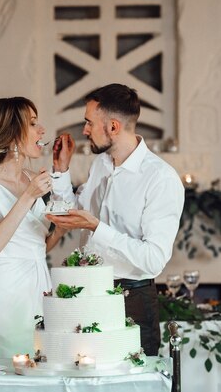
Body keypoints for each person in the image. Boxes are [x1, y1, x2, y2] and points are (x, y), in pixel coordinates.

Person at [47, 83, 185, 356]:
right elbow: (77, 213)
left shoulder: (161, 178)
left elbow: (153, 259)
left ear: (113, 127)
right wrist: (61, 171)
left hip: (131, 300)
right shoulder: (100, 164)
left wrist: (97, 227)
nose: (84, 131)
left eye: (89, 123)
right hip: (88, 294)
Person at [0, 97, 64, 358]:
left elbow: (39, 246)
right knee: (5, 370)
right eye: (32, 123)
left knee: (44, 365)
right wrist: (29, 196)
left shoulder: (34, 179)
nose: (42, 129)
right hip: (8, 291)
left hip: (42, 287)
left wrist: (63, 228)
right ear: (12, 134)